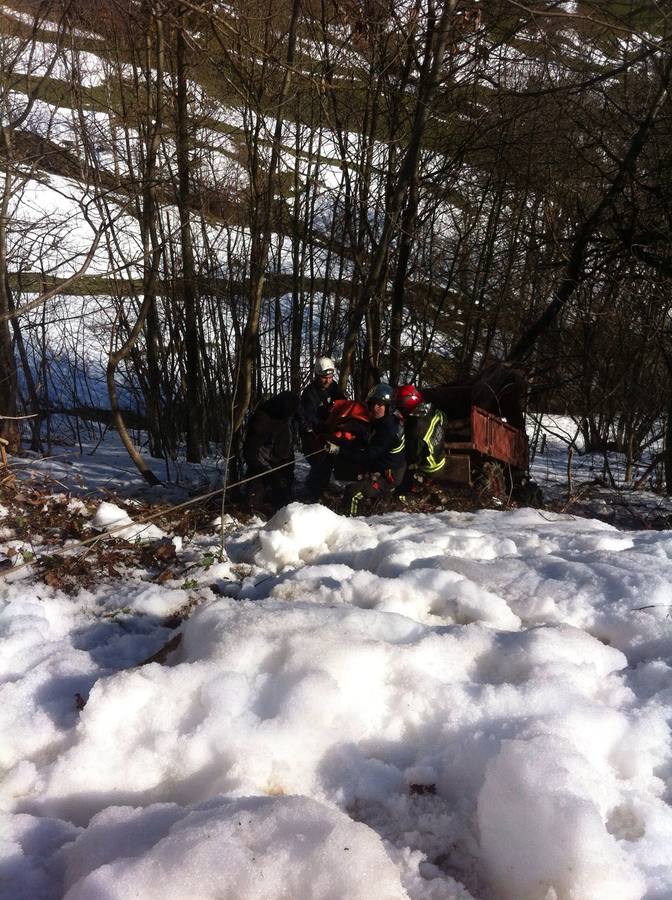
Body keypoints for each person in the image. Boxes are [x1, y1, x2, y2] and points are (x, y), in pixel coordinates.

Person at [327, 383, 406, 516]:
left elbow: (368, 456)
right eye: (373, 404)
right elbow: (371, 439)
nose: (375, 408)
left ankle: (354, 522)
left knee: (353, 494)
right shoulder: (385, 421)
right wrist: (355, 428)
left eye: (379, 405)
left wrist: (338, 451)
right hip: (383, 465)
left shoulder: (388, 429)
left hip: (388, 476)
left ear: (388, 407)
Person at [243, 390, 300, 514]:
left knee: (284, 497)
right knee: (253, 503)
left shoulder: (290, 412)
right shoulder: (262, 420)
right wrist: (269, 472)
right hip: (263, 462)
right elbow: (250, 453)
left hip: (283, 458)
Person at [298, 356, 346, 500]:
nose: (328, 380)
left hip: (329, 430)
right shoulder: (310, 393)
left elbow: (342, 403)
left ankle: (320, 486)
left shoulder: (334, 387)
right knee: (320, 461)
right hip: (312, 434)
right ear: (317, 376)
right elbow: (310, 417)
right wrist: (324, 430)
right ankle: (313, 493)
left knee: (331, 461)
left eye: (330, 377)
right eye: (324, 377)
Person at [394, 384, 447, 493]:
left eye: (400, 404)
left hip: (431, 468)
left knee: (402, 463)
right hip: (441, 457)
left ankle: (404, 491)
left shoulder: (416, 429)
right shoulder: (432, 410)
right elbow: (444, 420)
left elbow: (412, 456)